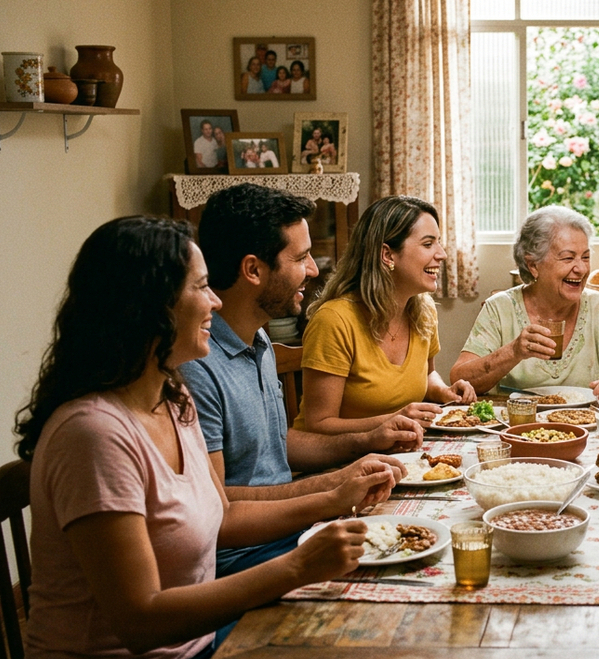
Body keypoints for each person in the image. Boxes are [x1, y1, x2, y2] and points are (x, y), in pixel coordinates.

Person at [15, 216, 378, 659]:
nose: (215, 300)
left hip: (196, 646)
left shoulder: (172, 395)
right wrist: (297, 566)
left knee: (352, 637)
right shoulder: (93, 435)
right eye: (202, 287)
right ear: (151, 307)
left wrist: (333, 500)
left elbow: (222, 514)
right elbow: (140, 621)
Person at [179, 184, 422, 577]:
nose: (313, 269)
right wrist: (330, 490)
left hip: (293, 533)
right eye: (302, 257)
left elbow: (275, 445)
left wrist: (365, 440)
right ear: (253, 269)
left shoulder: (257, 337)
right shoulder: (197, 368)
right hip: (245, 561)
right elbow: (217, 505)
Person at [299, 195, 475, 434]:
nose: (442, 254)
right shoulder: (334, 320)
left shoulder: (423, 310)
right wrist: (394, 419)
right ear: (387, 255)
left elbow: (427, 374)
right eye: (428, 244)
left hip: (399, 450)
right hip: (339, 459)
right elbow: (318, 425)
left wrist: (443, 391)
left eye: (439, 242)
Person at [451, 206, 599, 404]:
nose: (582, 268)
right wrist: (513, 352)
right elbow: (459, 379)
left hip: (584, 426)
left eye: (585, 257)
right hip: (518, 427)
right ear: (533, 265)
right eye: (568, 258)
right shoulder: (499, 308)